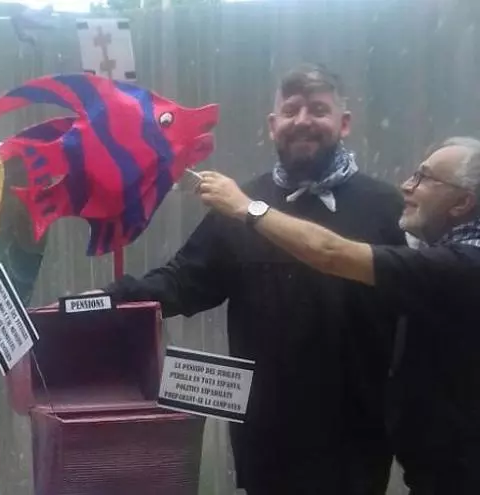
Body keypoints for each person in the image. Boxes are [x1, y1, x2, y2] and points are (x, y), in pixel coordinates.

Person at [102, 64, 406, 494]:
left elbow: (419, 307)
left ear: (344, 123)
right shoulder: (238, 205)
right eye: (291, 110)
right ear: (272, 125)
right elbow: (182, 282)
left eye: (318, 110)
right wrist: (107, 300)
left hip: (356, 435)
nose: (303, 121)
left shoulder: (387, 207)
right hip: (268, 437)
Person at [196, 137, 480, 494]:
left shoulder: (462, 266)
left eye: (425, 178)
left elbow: (330, 252)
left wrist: (245, 207)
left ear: (463, 203)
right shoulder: (444, 256)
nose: (408, 185)